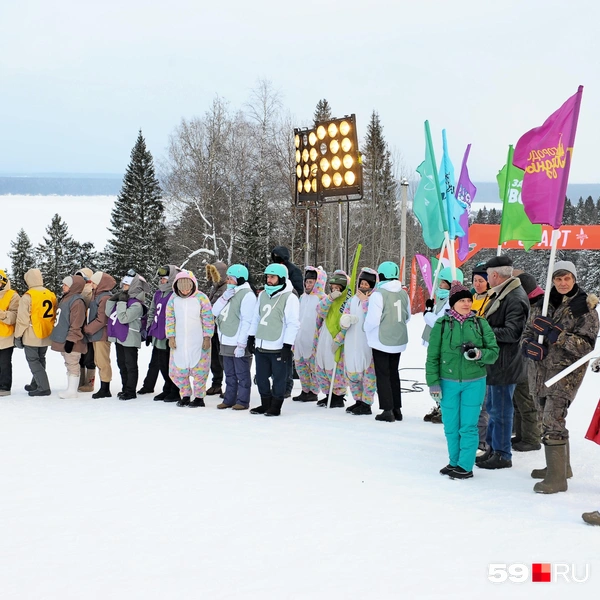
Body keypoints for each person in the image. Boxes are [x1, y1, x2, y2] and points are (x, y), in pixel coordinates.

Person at [521, 261, 599, 493]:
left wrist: (557, 335)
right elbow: (528, 329)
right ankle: (560, 467)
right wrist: (528, 345)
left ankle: (556, 480)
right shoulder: (542, 303)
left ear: (574, 279)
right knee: (543, 415)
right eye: (558, 279)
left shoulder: (584, 308)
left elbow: (586, 346)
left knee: (552, 419)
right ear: (552, 280)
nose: (563, 283)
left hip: (565, 373)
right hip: (538, 370)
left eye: (567, 279)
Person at [426, 282, 499, 479]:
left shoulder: (480, 323)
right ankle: (454, 462)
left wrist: (478, 354)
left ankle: (465, 466)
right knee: (450, 425)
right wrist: (433, 382)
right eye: (462, 301)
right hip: (447, 381)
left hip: (474, 382)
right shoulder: (441, 326)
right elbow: (432, 356)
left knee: (468, 425)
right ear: (453, 303)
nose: (467, 304)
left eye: (469, 300)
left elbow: (493, 352)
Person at [476, 255, 529, 471]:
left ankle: (502, 453)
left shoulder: (514, 297)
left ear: (495, 275)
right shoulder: (503, 294)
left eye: (487, 276)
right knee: (493, 407)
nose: (487, 280)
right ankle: (493, 447)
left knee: (501, 410)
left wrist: (482, 330)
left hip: (506, 364)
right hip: (498, 362)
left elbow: (513, 332)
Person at [247, 263, 300, 417]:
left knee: (279, 379)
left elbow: (293, 324)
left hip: (278, 346)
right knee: (261, 378)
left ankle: (275, 406)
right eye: (267, 277)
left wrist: (287, 345)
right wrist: (251, 337)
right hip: (262, 345)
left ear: (281, 278)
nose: (269, 280)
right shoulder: (263, 294)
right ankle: (265, 404)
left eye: (272, 277)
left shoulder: (290, 297)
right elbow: (256, 317)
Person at [364, 261, 410, 422]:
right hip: (398, 339)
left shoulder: (378, 294)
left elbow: (373, 320)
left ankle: (387, 410)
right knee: (393, 373)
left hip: (381, 340)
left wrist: (365, 329)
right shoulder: (403, 293)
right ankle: (397, 409)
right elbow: (408, 316)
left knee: (382, 375)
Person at [166, 270, 214, 407]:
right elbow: (169, 318)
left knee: (200, 370)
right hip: (180, 341)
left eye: (188, 288)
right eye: (182, 288)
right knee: (178, 370)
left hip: (197, 340)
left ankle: (199, 397)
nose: (186, 291)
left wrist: (207, 337)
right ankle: (185, 394)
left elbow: (208, 319)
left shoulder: (201, 298)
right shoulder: (173, 299)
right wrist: (171, 336)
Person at [422, 267, 464, 423]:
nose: (439, 284)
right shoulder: (442, 299)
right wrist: (430, 308)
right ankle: (440, 405)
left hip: (443, 344)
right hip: (435, 343)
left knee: (442, 377)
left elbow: (439, 322)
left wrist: (427, 313)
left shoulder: (451, 301)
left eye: (442, 282)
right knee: (435, 376)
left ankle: (446, 407)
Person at [212, 264, 257, 410]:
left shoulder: (247, 295)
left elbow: (247, 321)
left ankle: (242, 401)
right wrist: (223, 299)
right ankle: (229, 398)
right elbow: (214, 311)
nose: (228, 281)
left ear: (240, 279)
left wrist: (242, 344)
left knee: (242, 374)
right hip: (225, 339)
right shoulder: (229, 293)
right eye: (228, 279)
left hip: (238, 341)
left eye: (231, 279)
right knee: (229, 373)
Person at [511, 272, 545, 452]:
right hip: (521, 356)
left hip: (530, 358)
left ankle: (532, 438)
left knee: (526, 399)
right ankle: (522, 435)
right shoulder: (532, 302)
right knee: (518, 398)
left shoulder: (537, 304)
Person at [138, 265, 180, 402]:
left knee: (171, 364)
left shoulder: (175, 294)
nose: (162, 281)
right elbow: (152, 312)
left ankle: (175, 389)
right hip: (158, 333)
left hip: (170, 335)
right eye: (161, 278)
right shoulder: (158, 293)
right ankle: (167, 388)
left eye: (165, 278)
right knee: (161, 364)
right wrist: (150, 329)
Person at [105, 270, 150, 400]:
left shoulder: (136, 305)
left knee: (130, 365)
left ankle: (131, 391)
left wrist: (121, 303)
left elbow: (123, 318)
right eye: (123, 285)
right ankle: (125, 388)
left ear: (134, 286)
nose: (123, 287)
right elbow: (109, 313)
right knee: (121, 363)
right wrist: (112, 300)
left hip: (130, 337)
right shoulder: (123, 300)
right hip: (119, 336)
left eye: (126, 285)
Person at [340, 268, 378, 415]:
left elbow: (373, 318)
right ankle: (357, 400)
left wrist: (365, 302)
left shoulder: (373, 300)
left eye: (366, 284)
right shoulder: (351, 300)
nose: (363, 286)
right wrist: (344, 322)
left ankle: (366, 403)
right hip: (351, 341)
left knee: (367, 373)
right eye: (361, 283)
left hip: (366, 342)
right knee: (352, 371)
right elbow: (345, 315)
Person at [14, 268, 57, 397]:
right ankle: (36, 383)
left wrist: (18, 336)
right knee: (41, 358)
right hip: (47, 331)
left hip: (32, 334)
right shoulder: (50, 294)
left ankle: (43, 387)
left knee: (33, 360)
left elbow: (22, 320)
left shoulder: (28, 296)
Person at [313, 270, 350, 408]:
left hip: (337, 338)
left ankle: (338, 395)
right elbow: (320, 310)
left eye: (337, 288)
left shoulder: (347, 301)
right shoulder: (328, 299)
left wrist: (339, 339)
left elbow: (347, 323)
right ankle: (328, 393)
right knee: (321, 365)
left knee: (335, 366)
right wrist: (330, 298)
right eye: (332, 287)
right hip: (324, 335)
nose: (335, 290)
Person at [50, 275, 88, 399]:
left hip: (73, 340)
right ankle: (70, 388)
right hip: (64, 338)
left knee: (72, 363)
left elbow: (76, 323)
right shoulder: (67, 298)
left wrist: (71, 340)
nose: (63, 286)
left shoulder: (77, 301)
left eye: (65, 284)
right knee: (68, 363)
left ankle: (72, 391)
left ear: (73, 286)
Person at [293, 266, 327, 402]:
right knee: (300, 367)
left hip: (313, 339)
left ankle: (313, 391)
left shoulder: (322, 298)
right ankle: (305, 389)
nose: (308, 285)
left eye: (311, 282)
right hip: (299, 339)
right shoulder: (302, 297)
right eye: (306, 282)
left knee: (313, 367)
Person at [83, 271, 116, 398]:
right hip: (95, 334)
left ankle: (105, 388)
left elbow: (102, 319)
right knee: (98, 360)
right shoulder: (97, 296)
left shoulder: (105, 297)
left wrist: (87, 329)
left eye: (94, 283)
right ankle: (104, 386)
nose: (92, 285)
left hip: (101, 334)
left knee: (103, 361)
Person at [205, 261, 228, 397]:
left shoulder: (225, 288)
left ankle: (228, 386)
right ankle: (216, 384)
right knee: (214, 359)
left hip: (221, 329)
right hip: (212, 329)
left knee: (222, 359)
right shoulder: (215, 287)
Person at [75, 267, 96, 392]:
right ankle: (81, 381)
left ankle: (89, 382)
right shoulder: (77, 291)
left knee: (89, 356)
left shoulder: (90, 292)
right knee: (81, 356)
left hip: (88, 328)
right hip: (80, 328)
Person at [0, 270, 20, 396]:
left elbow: (15, 315)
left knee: (4, 363)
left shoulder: (13, 295)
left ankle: (4, 387)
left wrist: (2, 314)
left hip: (5, 336)